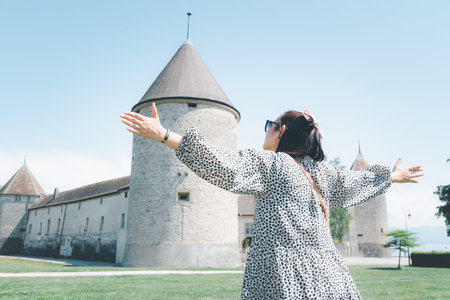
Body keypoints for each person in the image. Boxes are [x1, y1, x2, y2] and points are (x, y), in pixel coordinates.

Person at [120, 103, 423, 299]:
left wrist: (164, 134)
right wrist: (392, 177)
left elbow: (219, 164)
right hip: (331, 279)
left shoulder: (272, 165)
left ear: (282, 132)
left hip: (284, 279)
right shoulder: (322, 172)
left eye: (270, 124)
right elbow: (357, 183)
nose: (265, 130)